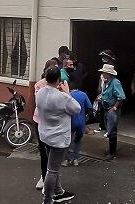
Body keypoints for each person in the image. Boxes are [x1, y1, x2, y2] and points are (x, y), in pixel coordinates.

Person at [36, 66, 79, 204]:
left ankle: (59, 192)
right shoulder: (62, 97)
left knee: (52, 167)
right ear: (59, 80)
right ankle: (48, 199)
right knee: (52, 171)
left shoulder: (40, 92)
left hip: (45, 135)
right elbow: (76, 109)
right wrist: (67, 93)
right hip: (58, 139)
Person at [33, 58, 61, 190]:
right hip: (40, 121)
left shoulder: (62, 85)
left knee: (53, 152)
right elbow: (42, 103)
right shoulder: (39, 85)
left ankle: (52, 180)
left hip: (55, 123)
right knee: (43, 152)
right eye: (52, 70)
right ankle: (44, 177)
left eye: (56, 70)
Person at [97, 63, 125, 160]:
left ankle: (112, 153)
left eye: (105, 73)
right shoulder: (105, 82)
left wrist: (115, 107)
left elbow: (121, 97)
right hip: (106, 108)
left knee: (112, 130)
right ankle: (111, 149)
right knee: (109, 129)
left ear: (109, 74)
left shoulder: (115, 83)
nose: (103, 75)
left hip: (112, 109)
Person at [65, 86, 92, 166]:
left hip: (70, 122)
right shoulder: (83, 94)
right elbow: (90, 107)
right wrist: (87, 116)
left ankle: (66, 160)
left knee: (67, 141)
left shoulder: (68, 94)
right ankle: (75, 159)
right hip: (81, 123)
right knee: (78, 141)